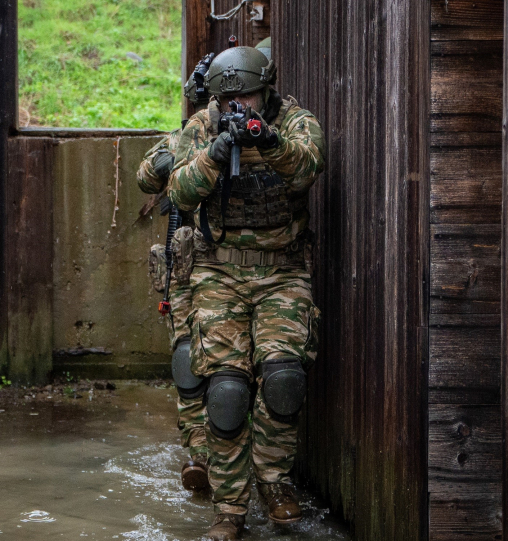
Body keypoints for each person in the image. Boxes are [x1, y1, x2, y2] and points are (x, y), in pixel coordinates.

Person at [169, 45, 325, 540]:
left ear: (267, 89)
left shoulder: (297, 121)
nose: (240, 108)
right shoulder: (203, 125)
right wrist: (212, 158)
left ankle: (274, 482)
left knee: (283, 381)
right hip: (220, 273)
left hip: (282, 271)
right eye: (230, 100)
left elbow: (307, 167)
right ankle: (229, 510)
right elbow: (177, 191)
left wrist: (269, 142)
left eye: (250, 98)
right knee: (227, 393)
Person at [137, 52, 215, 493]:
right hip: (186, 269)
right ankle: (200, 455)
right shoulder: (180, 138)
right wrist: (174, 160)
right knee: (188, 362)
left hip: (231, 268)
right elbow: (145, 173)